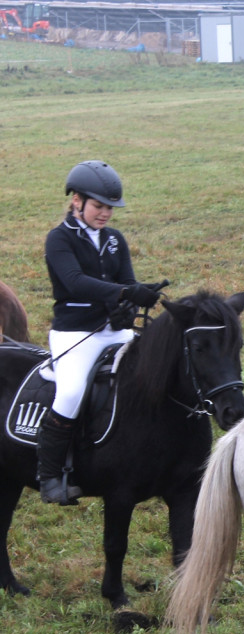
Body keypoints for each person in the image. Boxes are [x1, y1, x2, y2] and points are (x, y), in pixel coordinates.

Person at [36, 160, 163, 505]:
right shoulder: (58, 239)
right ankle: (49, 475)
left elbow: (126, 282)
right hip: (76, 333)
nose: (105, 213)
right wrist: (124, 294)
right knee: (72, 391)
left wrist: (142, 292)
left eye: (110, 208)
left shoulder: (114, 239)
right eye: (98, 206)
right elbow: (75, 282)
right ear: (76, 200)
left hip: (114, 330)